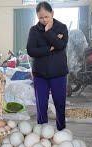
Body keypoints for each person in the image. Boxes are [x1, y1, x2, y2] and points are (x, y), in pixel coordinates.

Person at [27, 1, 69, 130]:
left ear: (52, 14)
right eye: (40, 17)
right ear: (37, 17)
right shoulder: (34, 30)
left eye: (46, 17)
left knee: (59, 103)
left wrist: (48, 31)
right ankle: (42, 132)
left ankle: (61, 130)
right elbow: (31, 50)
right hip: (40, 74)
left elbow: (61, 46)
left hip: (58, 73)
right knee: (41, 105)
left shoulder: (61, 27)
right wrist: (49, 48)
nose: (43, 20)